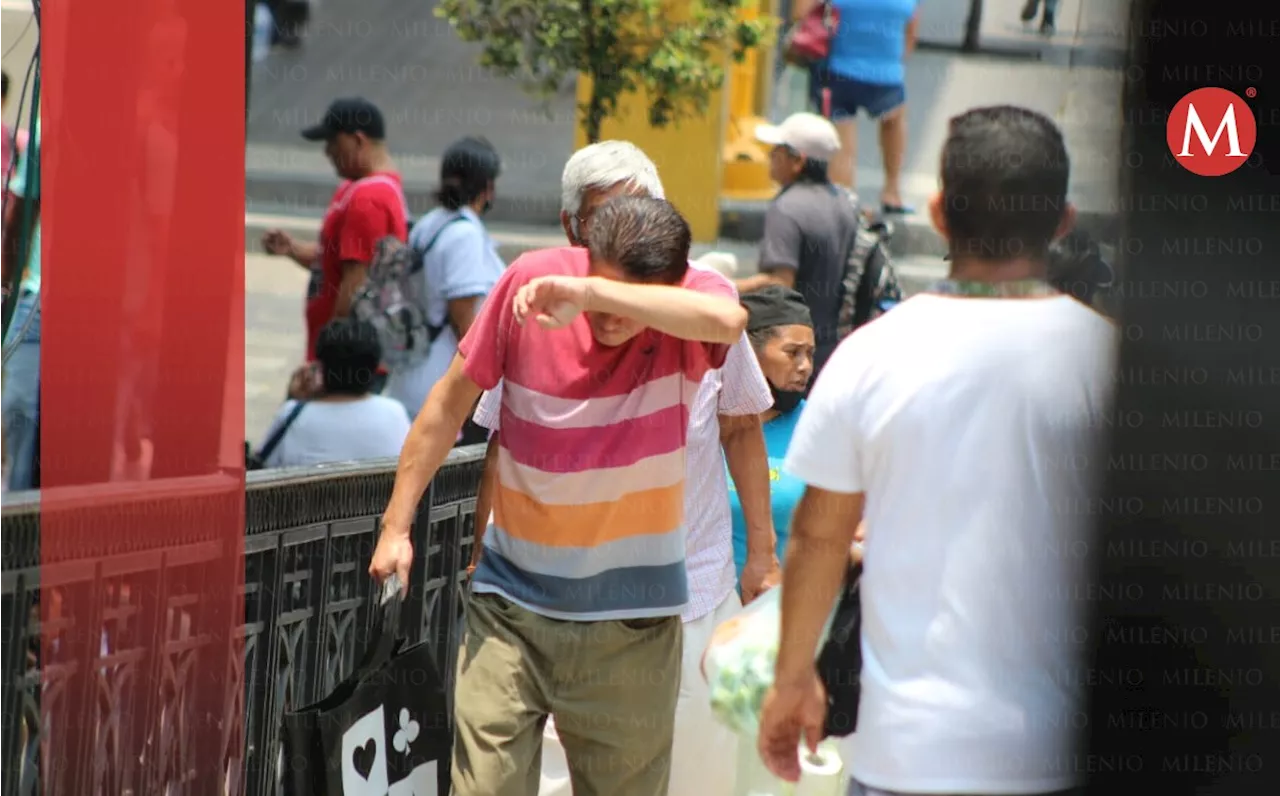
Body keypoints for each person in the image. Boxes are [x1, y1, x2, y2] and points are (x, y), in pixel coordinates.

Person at [757, 105, 1117, 796]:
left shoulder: (870, 357)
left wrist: (792, 679)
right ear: (1064, 219)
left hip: (906, 755)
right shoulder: (1107, 363)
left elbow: (818, 539)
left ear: (939, 213)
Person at [369, 195, 748, 796]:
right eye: (599, 282)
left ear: (673, 282)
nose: (607, 321)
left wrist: (595, 296)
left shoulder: (692, 308)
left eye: (625, 302)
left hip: (630, 626)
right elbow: (447, 404)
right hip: (511, 608)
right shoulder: (528, 284)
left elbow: (727, 324)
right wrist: (396, 526)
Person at [468, 140, 779, 796]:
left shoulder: (694, 305)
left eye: (641, 217)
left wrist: (763, 554)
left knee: (681, 777)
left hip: (683, 590)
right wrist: (482, 554)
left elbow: (742, 426)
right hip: (541, 601)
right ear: (573, 231)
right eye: (606, 226)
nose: (626, 244)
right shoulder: (535, 303)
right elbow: (502, 442)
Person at [259, 97, 408, 398]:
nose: (327, 152)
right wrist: (292, 249)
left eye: (332, 142)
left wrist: (328, 360)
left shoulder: (369, 198)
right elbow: (337, 261)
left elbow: (356, 281)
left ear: (357, 140)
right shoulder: (358, 188)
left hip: (346, 364)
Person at [385, 136, 505, 440]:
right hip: (439, 382)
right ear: (487, 187)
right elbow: (464, 321)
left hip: (414, 370)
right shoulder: (463, 234)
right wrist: (474, 390)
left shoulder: (431, 223)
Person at [740, 112, 858, 382]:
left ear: (797, 161)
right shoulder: (843, 202)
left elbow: (780, 283)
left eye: (777, 151)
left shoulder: (787, 208)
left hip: (795, 353)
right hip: (831, 345)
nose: (771, 156)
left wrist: (727, 287)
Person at [795, 0, 919, 213]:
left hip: (839, 68)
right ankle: (892, 192)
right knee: (894, 121)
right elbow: (912, 28)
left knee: (842, 136)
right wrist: (898, 61)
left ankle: (846, 203)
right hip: (886, 70)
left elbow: (800, 13)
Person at [728, 285, 815, 581]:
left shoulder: (819, 428)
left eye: (810, 354)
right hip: (699, 607)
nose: (805, 367)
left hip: (775, 610)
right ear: (750, 353)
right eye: (792, 352)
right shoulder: (703, 422)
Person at [257, 318, 411, 467]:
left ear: (321, 366)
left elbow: (262, 467)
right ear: (375, 366)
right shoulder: (395, 413)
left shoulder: (293, 414)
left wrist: (293, 400)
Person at [1, 117, 39, 491]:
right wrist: (7, 287)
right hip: (36, 301)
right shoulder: (45, 134)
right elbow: (18, 216)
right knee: (20, 409)